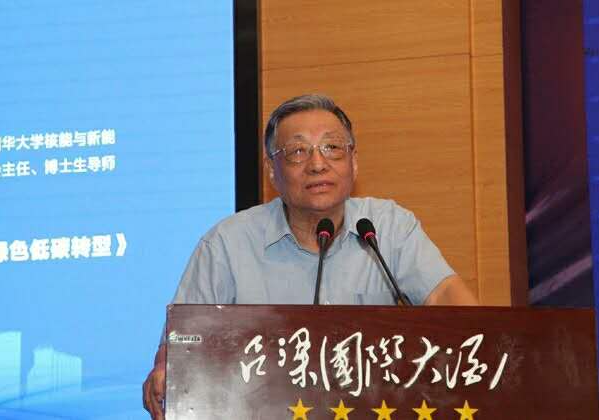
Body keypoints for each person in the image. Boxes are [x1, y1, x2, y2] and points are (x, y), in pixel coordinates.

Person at [142, 94, 478, 419]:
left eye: (332, 147)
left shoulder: (388, 227)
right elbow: (181, 343)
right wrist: (165, 370)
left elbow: (445, 295)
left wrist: (485, 343)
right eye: (298, 151)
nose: (317, 164)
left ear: (353, 162)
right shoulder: (227, 245)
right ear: (272, 171)